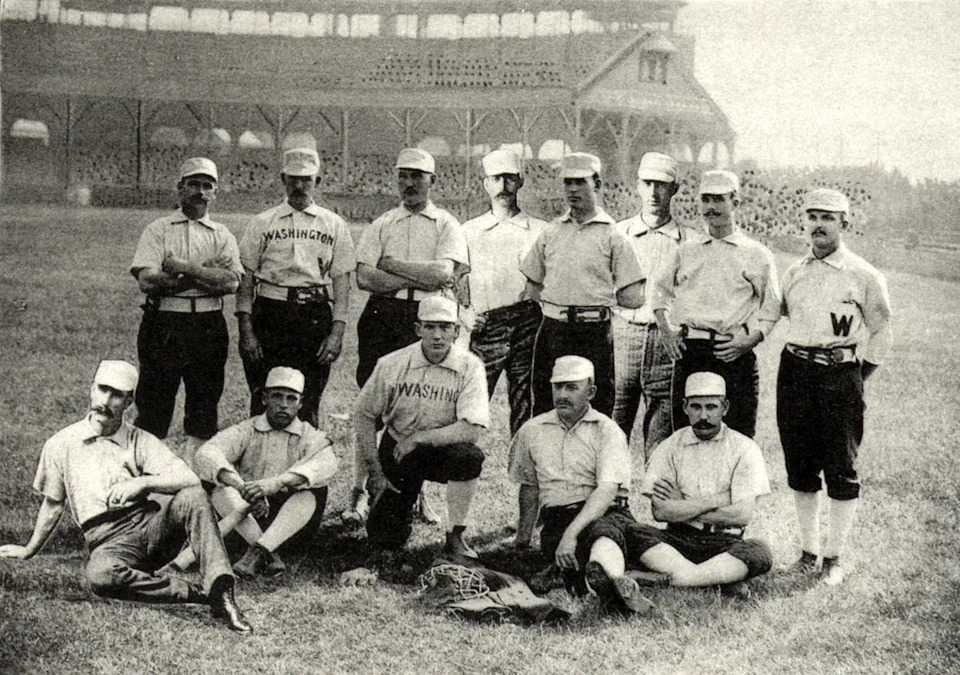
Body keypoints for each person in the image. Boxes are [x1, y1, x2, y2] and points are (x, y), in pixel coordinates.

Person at [0, 361, 252, 633]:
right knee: (101, 576)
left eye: (116, 394)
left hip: (151, 528)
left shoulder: (138, 439)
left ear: (129, 401)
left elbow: (189, 478)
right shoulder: (61, 444)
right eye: (102, 390)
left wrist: (143, 484)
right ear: (91, 389)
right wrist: (29, 549)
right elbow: (53, 503)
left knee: (193, 496)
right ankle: (198, 594)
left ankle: (222, 590)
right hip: (107, 540)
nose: (105, 401)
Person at [346, 148, 469, 525]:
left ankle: (419, 496)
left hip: (428, 316)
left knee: (426, 406)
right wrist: (414, 276)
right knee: (374, 402)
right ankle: (359, 491)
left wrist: (393, 267)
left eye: (418, 175)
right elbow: (365, 277)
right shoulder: (383, 222)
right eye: (404, 175)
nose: (410, 183)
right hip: (383, 314)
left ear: (433, 180)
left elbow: (442, 275)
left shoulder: (446, 224)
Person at [777, 188, 892, 585]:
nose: (819, 224)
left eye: (828, 217)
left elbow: (881, 330)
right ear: (803, 223)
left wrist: (859, 376)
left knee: (841, 466)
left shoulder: (863, 274)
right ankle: (808, 553)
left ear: (845, 223)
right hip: (794, 371)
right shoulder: (794, 272)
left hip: (839, 373)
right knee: (800, 464)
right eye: (812, 216)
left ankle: (834, 558)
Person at [509, 356, 656, 614]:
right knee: (566, 556)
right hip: (558, 518)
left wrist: (571, 534)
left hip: (606, 511)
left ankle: (609, 581)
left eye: (572, 387)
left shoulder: (607, 430)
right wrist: (522, 540)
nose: (562, 395)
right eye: (558, 387)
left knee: (603, 534)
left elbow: (607, 489)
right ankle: (614, 584)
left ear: (591, 392)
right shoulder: (532, 431)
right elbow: (529, 488)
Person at [351, 296, 489, 568]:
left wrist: (420, 439)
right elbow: (363, 414)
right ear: (417, 329)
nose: (438, 335)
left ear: (456, 331)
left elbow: (472, 428)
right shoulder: (391, 363)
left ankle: (455, 536)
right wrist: (376, 473)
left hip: (442, 448)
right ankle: (395, 514)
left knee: (469, 457)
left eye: (445, 327)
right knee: (384, 538)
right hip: (399, 449)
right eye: (430, 327)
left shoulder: (470, 366)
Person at [129, 157, 243, 459]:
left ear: (216, 192)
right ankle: (147, 479)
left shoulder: (222, 234)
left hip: (207, 322)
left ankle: (197, 481)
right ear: (180, 188)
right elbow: (148, 280)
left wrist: (182, 268)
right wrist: (206, 273)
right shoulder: (159, 229)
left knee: (204, 405)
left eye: (208, 186)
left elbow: (231, 283)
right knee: (154, 405)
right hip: (165, 320)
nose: (200, 192)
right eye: (194, 184)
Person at [653, 169, 780, 438]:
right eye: (706, 200)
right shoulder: (687, 250)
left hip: (733, 353)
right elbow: (659, 293)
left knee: (738, 438)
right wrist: (666, 330)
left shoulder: (756, 254)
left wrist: (750, 340)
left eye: (718, 200)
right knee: (687, 436)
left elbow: (772, 308)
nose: (711, 208)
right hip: (691, 352)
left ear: (735, 202)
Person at [236, 147, 356, 428]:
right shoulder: (262, 222)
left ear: (319, 182)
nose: (300, 186)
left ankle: (303, 469)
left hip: (313, 314)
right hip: (270, 311)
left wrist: (337, 332)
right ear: (283, 179)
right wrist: (246, 330)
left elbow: (342, 284)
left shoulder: (334, 224)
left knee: (309, 398)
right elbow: (246, 281)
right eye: (294, 179)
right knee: (263, 395)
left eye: (307, 180)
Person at [521, 152, 646, 419]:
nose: (573, 189)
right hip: (553, 331)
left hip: (594, 333)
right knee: (546, 406)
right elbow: (532, 286)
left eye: (581, 182)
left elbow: (633, 297)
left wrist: (595, 297)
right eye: (568, 182)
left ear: (597, 184)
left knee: (597, 408)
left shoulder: (614, 235)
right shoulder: (551, 232)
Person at [632, 372, 773, 594]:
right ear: (685, 406)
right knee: (633, 532)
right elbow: (660, 511)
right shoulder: (670, 446)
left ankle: (672, 579)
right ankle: (719, 579)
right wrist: (719, 499)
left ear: (724, 407)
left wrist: (682, 505)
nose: (703, 416)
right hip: (677, 538)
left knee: (759, 551)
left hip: (725, 540)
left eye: (711, 407)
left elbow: (741, 515)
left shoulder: (744, 448)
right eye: (696, 407)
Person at [194, 366, 338, 579]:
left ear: (300, 404)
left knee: (310, 493)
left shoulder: (310, 435)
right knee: (220, 490)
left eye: (291, 399)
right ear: (264, 399)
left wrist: (277, 483)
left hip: (290, 526)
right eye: (277, 396)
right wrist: (242, 487)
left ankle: (260, 551)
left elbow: (326, 464)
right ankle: (267, 553)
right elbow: (206, 453)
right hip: (247, 518)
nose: (283, 405)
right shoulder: (248, 429)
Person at [613, 152, 702, 458]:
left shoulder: (690, 240)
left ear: (675, 188)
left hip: (667, 343)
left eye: (662, 185)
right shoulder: (618, 234)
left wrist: (678, 329)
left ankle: (659, 504)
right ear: (637, 185)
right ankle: (611, 504)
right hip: (623, 335)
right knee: (613, 427)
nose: (653, 192)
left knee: (662, 438)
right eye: (648, 183)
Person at [462, 149, 548, 436]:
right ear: (485, 183)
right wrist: (464, 315)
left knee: (526, 401)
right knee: (473, 401)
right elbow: (450, 283)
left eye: (510, 179)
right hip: (487, 325)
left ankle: (524, 472)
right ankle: (460, 467)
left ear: (520, 182)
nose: (503, 187)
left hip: (528, 322)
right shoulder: (469, 231)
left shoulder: (539, 230)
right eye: (496, 179)